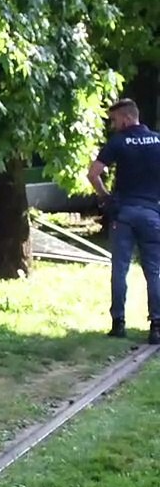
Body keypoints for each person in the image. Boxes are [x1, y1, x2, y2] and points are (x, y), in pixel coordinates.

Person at [87, 97, 160, 344]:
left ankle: (118, 323)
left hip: (124, 213)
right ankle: (157, 326)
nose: (113, 125)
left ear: (127, 118)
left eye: (115, 120)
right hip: (152, 213)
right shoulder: (158, 141)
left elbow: (93, 173)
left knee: (120, 269)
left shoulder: (118, 142)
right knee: (154, 271)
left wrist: (105, 196)